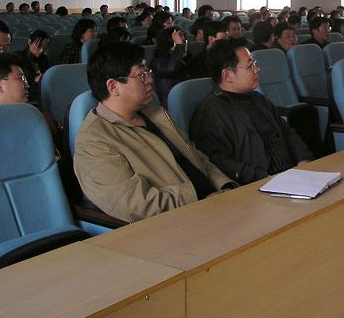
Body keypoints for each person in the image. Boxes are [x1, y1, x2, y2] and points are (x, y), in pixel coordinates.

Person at [74, 42, 235, 222]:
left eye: (148, 72)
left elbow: (196, 158)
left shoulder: (156, 114)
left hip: (213, 204)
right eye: (141, 75)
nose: (150, 80)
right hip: (179, 220)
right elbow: (135, 204)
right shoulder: (94, 141)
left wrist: (225, 186)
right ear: (113, 86)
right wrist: (200, 199)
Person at [190, 38, 313, 185]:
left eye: (254, 63)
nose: (257, 69)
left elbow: (287, 132)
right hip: (261, 185)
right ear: (227, 75)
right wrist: (264, 178)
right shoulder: (211, 113)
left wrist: (303, 160)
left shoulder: (257, 99)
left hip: (292, 176)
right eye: (250, 65)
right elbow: (219, 163)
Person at [151, 26, 189, 107]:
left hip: (185, 99)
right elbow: (170, 70)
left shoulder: (186, 58)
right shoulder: (158, 61)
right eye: (181, 43)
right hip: (169, 104)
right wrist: (179, 47)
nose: (185, 46)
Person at [16, 29, 50, 103]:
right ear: (29, 42)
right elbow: (18, 79)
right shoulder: (18, 57)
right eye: (38, 46)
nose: (41, 50)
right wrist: (34, 80)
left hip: (42, 91)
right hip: (25, 93)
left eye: (45, 47)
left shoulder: (44, 59)